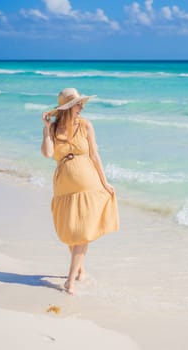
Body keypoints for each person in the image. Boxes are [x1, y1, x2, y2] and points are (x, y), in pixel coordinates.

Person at [41, 87, 119, 295]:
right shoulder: (54, 128)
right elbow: (48, 154)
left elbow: (94, 155)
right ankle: (80, 269)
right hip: (64, 186)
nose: (82, 107)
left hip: (89, 184)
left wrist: (105, 182)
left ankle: (70, 281)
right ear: (67, 107)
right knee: (72, 233)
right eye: (78, 104)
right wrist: (47, 129)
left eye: (82, 103)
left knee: (83, 233)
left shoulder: (86, 126)